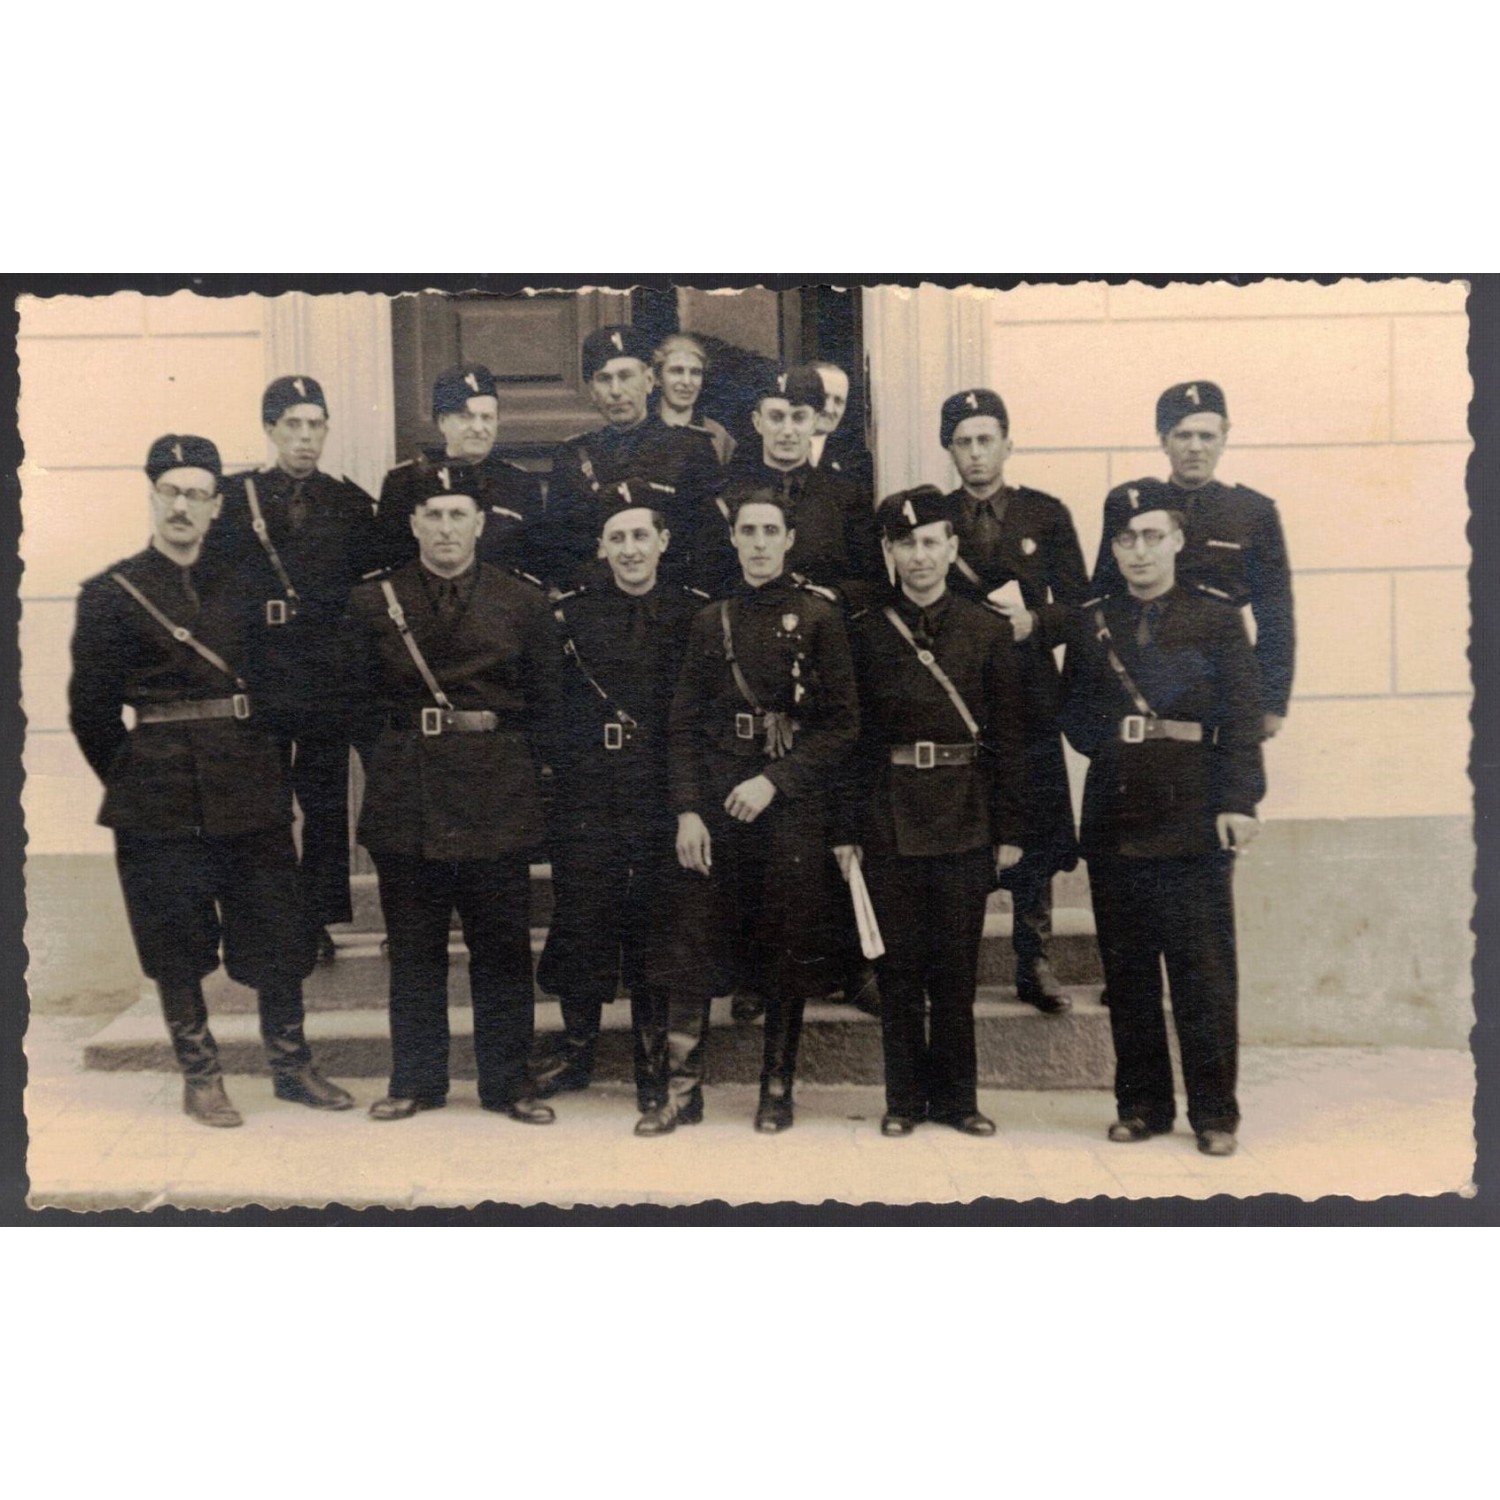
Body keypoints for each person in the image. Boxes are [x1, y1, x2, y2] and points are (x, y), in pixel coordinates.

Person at [69, 435, 353, 1127]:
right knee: (176, 937)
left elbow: (283, 685)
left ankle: (291, 1064)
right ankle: (201, 1075)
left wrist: (261, 757)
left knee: (277, 929)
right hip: (157, 797)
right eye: (171, 491)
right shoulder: (111, 594)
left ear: (217, 506)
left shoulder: (248, 588)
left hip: (249, 780)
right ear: (152, 496)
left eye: (197, 494)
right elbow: (92, 714)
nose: (182, 506)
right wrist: (141, 774)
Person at [637, 482, 859, 1136]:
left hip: (786, 806)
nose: (758, 544)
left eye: (770, 532)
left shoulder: (820, 618)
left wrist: (777, 781)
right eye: (747, 532)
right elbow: (680, 725)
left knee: (786, 942)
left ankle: (777, 1086)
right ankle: (682, 1090)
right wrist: (686, 812)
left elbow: (843, 726)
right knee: (691, 936)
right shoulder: (713, 620)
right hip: (714, 799)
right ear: (732, 538)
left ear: (789, 540)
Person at [342, 471, 561, 1124]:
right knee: (414, 948)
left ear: (479, 522)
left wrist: (524, 779)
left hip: (497, 790)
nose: (444, 528)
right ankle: (415, 1079)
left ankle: (507, 1082)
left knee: (501, 949)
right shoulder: (373, 602)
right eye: (432, 514)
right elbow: (354, 704)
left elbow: (548, 706)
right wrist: (390, 759)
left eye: (457, 514)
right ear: (413, 524)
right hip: (408, 795)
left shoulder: (522, 602)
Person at [1060, 495, 1266, 1156]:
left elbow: (1241, 716)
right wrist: (1124, 740)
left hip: (1194, 813)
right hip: (1118, 814)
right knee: (1128, 974)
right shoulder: (1096, 621)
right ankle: (1142, 1104)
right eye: (1125, 538)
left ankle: (1214, 1113)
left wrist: (1238, 800)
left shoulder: (1216, 616)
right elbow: (1075, 717)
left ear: (1177, 539)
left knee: (1202, 973)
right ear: (1113, 548)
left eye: (1152, 535)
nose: (1139, 551)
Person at [836, 487, 1028, 1136]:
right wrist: (846, 831)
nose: (919, 557)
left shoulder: (987, 630)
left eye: (930, 543)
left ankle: (958, 1100)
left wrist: (1010, 832)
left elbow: (1009, 737)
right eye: (905, 544)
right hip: (888, 817)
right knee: (898, 972)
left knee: (956, 968)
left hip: (966, 815)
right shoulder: (862, 634)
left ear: (951, 548)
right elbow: (849, 741)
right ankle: (902, 1101)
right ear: (888, 552)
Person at [531, 486, 707, 1111]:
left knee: (659, 919)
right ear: (601, 547)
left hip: (665, 785)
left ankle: (652, 1063)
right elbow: (550, 707)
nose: (630, 549)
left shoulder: (695, 615)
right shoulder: (572, 616)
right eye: (617, 538)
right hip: (591, 788)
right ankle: (578, 1051)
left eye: (641, 536)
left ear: (663, 541)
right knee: (583, 912)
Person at [210, 376, 380, 966]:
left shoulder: (351, 503)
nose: (306, 438)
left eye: (316, 426)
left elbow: (370, 590)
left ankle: (316, 918)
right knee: (265, 802)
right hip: (259, 672)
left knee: (327, 803)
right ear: (270, 429)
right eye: (293, 426)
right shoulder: (234, 500)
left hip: (328, 674)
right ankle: (273, 914)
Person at [939, 388, 1089, 1013]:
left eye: (985, 439)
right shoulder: (934, 517)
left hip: (1028, 695)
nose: (975, 453)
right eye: (963, 442)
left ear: (1007, 443)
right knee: (963, 822)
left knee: (1032, 821)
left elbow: (1083, 608)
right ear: (949, 450)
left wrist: (1037, 624)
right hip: (960, 696)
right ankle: (954, 964)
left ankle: (1034, 958)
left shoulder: (1045, 515)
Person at [1092, 380, 1295, 738]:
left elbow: (1275, 615)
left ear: (1224, 438)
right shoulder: (1139, 506)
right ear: (1163, 440)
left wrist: (1271, 702)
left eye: (1207, 436)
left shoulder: (1252, 513)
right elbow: (1103, 595)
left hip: (1221, 674)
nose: (1195, 448)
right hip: (1146, 667)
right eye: (1183, 436)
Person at [542, 324, 722, 590]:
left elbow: (710, 548)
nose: (616, 390)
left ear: (649, 381)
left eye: (625, 376)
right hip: (599, 607)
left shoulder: (690, 449)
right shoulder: (571, 458)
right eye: (604, 379)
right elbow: (559, 551)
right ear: (592, 391)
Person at [717, 365, 880, 606]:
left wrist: (835, 595)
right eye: (776, 417)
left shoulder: (846, 496)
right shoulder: (730, 497)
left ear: (815, 422)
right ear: (757, 422)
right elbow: (711, 580)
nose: (788, 431)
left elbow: (876, 584)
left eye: (799, 417)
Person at [374, 362, 543, 578]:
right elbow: (389, 566)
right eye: (466, 416)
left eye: (487, 417)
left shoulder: (521, 484)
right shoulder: (404, 482)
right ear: (442, 421)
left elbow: (536, 568)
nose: (479, 428)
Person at [653, 331, 736, 465]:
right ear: (657, 378)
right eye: (677, 371)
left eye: (695, 373)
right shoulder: (639, 428)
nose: (687, 381)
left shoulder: (718, 437)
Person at [809, 359, 874, 491]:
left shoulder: (855, 460)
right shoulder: (775, 447)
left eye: (839, 401)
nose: (829, 409)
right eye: (822, 397)